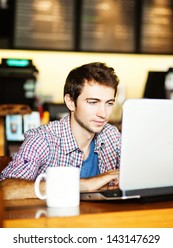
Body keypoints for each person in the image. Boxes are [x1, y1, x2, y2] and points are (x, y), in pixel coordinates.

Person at [0, 62, 121, 199]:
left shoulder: (112, 135)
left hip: (103, 219)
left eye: (109, 103)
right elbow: (6, 189)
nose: (103, 113)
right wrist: (83, 185)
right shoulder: (43, 139)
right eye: (93, 102)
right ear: (70, 102)